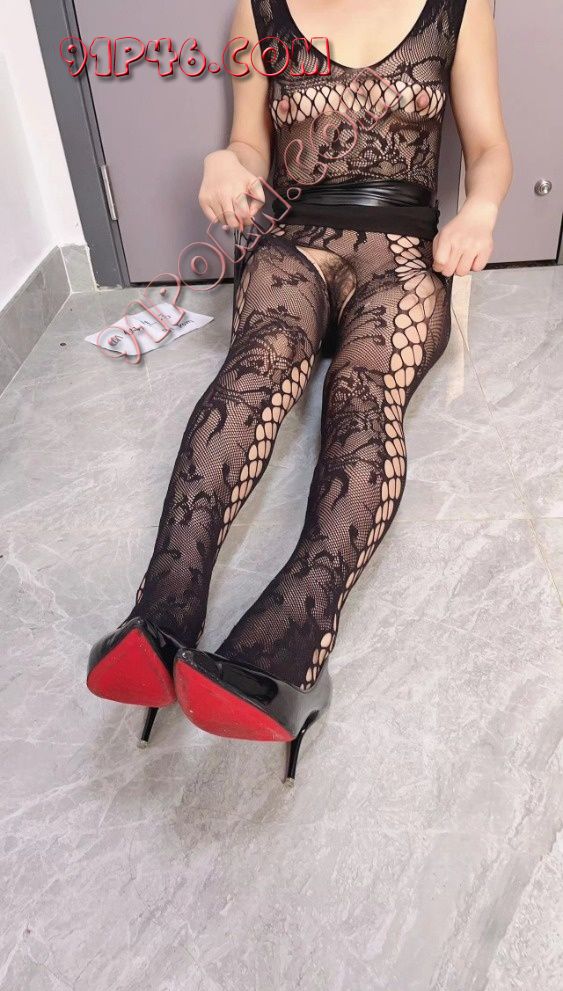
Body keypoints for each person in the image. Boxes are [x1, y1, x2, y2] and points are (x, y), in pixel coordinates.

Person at [87, 0, 512, 781]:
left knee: (363, 395)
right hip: (294, 240)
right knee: (257, 366)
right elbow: (252, 141)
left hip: (401, 251)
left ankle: (290, 639)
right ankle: (160, 615)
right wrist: (227, 161)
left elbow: (487, 147)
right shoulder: (258, 11)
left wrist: (480, 210)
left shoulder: (457, 6)